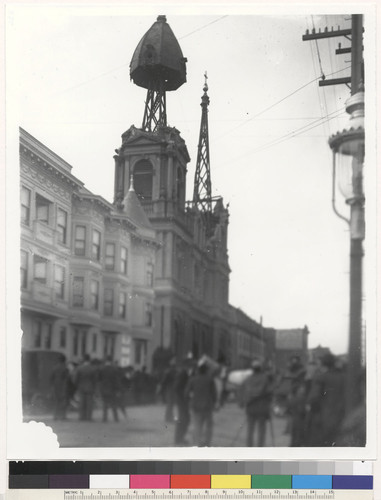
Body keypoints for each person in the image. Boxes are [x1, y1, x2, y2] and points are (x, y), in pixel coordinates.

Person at [306, 353, 345, 446]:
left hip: (324, 419)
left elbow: (313, 398)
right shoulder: (344, 377)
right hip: (342, 418)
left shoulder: (321, 377)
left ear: (323, 364)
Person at [240, 358, 272, 447]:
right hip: (262, 408)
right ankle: (259, 449)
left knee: (250, 430)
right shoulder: (265, 378)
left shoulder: (248, 380)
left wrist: (243, 402)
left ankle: (249, 448)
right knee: (261, 431)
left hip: (250, 407)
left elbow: (242, 391)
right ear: (260, 368)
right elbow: (269, 392)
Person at [186, 360, 217, 446]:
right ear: (206, 370)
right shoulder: (210, 380)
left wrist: (190, 400)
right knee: (208, 426)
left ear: (198, 370)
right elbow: (214, 394)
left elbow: (186, 393)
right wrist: (214, 403)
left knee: (197, 426)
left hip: (195, 406)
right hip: (207, 406)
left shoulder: (193, 380)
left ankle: (197, 443)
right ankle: (207, 443)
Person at [173, 355, 194, 445]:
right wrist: (185, 395)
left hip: (182, 400)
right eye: (190, 365)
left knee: (185, 419)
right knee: (184, 419)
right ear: (186, 365)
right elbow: (177, 387)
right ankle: (179, 439)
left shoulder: (185, 373)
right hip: (181, 400)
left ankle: (180, 438)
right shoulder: (183, 374)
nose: (191, 367)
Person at [98, 356, 122, 422]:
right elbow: (117, 381)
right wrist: (118, 389)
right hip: (112, 389)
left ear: (105, 361)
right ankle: (116, 418)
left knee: (105, 404)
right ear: (111, 361)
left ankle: (104, 418)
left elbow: (99, 380)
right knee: (113, 404)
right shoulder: (114, 369)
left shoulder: (101, 369)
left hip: (104, 389)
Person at [75, 354, 97, 421]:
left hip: (81, 387)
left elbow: (76, 379)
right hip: (90, 387)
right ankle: (88, 417)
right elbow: (95, 379)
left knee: (81, 403)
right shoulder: (93, 368)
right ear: (89, 359)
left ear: (83, 359)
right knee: (89, 403)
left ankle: (81, 417)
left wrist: (77, 385)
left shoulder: (79, 368)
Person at [50, 354, 70, 420]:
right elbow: (67, 378)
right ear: (64, 360)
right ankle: (63, 416)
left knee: (56, 402)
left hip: (55, 386)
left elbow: (51, 378)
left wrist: (52, 386)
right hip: (63, 387)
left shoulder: (54, 368)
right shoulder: (65, 368)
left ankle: (55, 416)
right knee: (63, 402)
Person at [160, 358, 177, 423]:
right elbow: (164, 381)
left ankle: (168, 417)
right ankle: (169, 417)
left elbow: (163, 381)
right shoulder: (174, 371)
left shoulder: (168, 371)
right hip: (172, 388)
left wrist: (163, 387)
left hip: (170, 388)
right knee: (170, 403)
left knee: (170, 403)